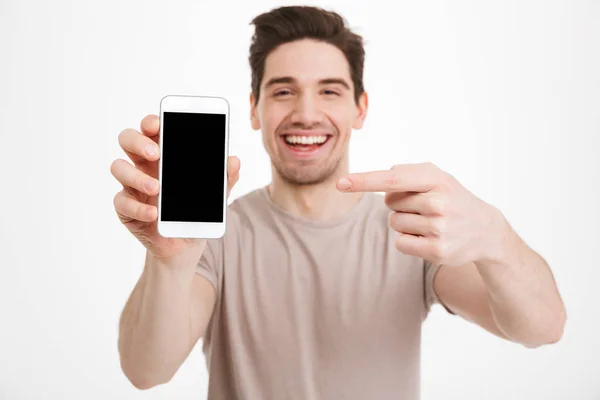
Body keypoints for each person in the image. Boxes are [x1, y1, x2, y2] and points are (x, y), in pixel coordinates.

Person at [110, 6, 566, 399]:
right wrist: (169, 262)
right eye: (283, 90)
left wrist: (496, 237)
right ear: (254, 109)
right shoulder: (213, 236)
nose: (306, 113)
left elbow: (542, 328)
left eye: (329, 90)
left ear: (360, 108)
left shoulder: (409, 229)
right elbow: (146, 371)